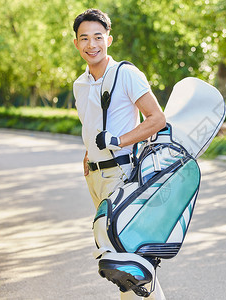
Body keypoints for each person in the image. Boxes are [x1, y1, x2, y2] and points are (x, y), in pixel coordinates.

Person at [72, 9, 166, 300]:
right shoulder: (80, 84)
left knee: (124, 260)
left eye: (98, 37)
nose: (92, 45)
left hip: (122, 173)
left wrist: (118, 141)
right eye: (84, 38)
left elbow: (156, 119)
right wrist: (89, 154)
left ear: (109, 39)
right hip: (96, 178)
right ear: (76, 43)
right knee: (123, 259)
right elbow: (90, 124)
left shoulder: (126, 74)